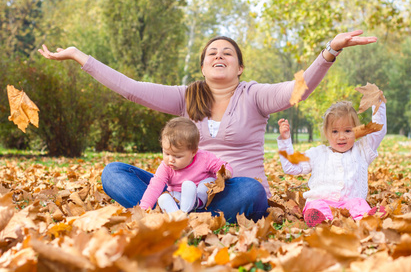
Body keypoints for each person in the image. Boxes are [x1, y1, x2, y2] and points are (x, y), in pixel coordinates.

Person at [39, 30, 377, 223]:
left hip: (233, 191)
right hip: (178, 189)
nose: (219, 56)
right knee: (113, 173)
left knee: (252, 191)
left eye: (227, 53)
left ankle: (176, 218)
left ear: (240, 67)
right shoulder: (186, 96)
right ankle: (176, 214)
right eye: (212, 53)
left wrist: (330, 50)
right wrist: (80, 56)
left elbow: (296, 90)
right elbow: (131, 89)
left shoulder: (255, 95)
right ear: (202, 65)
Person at [277, 97, 387, 227]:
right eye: (335, 131)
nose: (341, 136)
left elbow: (379, 131)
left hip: (350, 204)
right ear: (326, 133)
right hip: (322, 201)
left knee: (359, 204)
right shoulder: (317, 153)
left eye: (347, 130)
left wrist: (377, 103)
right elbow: (291, 167)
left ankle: (366, 219)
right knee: (316, 205)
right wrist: (285, 141)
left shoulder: (362, 150)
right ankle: (321, 221)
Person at [140, 117, 233, 213]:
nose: (171, 160)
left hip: (202, 196)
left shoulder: (204, 158)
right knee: (168, 196)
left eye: (177, 156)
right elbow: (155, 187)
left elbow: (221, 165)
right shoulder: (165, 167)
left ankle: (196, 203)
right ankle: (178, 215)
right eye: (167, 154)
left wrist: (226, 171)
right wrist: (143, 208)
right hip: (180, 197)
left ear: (193, 152)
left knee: (208, 183)